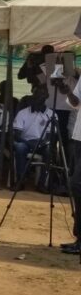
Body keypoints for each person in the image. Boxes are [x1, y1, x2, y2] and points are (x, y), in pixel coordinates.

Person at [57, 77, 81, 253]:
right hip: (79, 138)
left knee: (76, 184)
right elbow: (76, 103)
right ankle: (79, 238)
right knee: (75, 186)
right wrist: (67, 92)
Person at [12, 92, 55, 185]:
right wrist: (28, 143)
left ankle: (42, 183)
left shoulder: (51, 114)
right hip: (25, 142)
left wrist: (41, 143)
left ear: (44, 101)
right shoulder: (22, 113)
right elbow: (17, 135)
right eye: (34, 99)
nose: (36, 102)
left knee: (49, 151)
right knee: (20, 148)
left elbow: (50, 136)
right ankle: (20, 181)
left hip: (42, 143)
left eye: (40, 100)